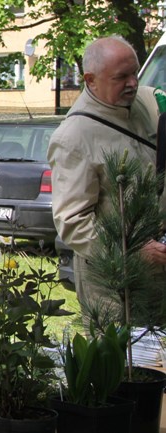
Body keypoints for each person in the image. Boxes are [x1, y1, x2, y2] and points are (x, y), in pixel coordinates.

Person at [48, 35, 166, 312]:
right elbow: (73, 223)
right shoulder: (73, 138)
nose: (133, 83)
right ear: (90, 80)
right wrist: (132, 250)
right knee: (125, 355)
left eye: (135, 72)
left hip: (160, 273)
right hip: (114, 283)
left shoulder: (148, 102)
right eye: (121, 77)